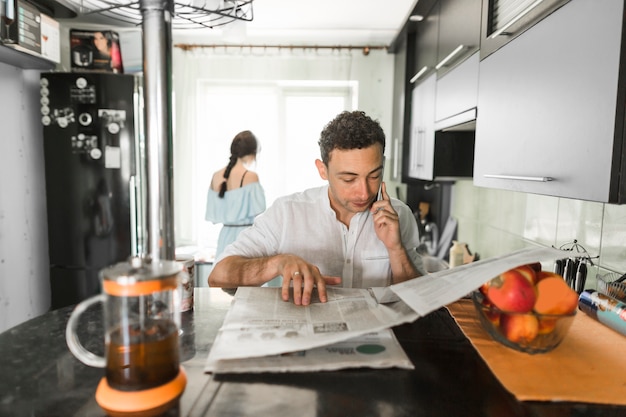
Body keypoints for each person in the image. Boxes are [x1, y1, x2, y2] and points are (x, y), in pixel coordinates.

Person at [209, 111, 424, 305]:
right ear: (323, 170)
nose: (364, 193)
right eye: (349, 179)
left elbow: (421, 300)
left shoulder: (399, 215)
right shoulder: (287, 213)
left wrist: (396, 250)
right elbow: (218, 275)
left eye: (374, 175)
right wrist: (276, 264)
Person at [205, 130, 266, 261]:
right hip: (246, 238)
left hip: (224, 238)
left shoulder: (216, 176)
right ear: (253, 152)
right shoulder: (251, 177)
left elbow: (212, 213)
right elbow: (261, 211)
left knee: (223, 276)